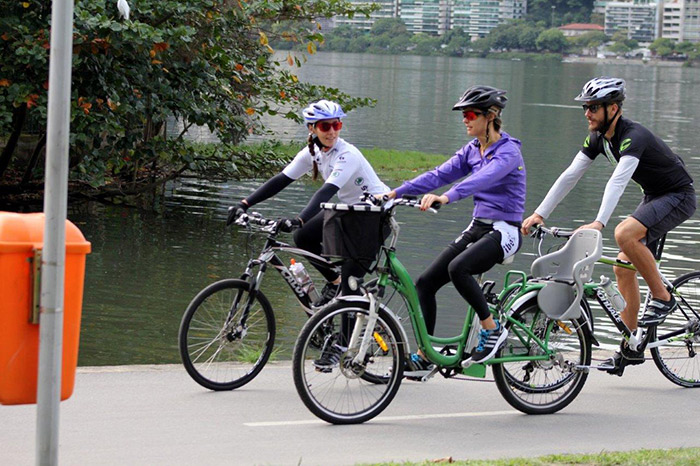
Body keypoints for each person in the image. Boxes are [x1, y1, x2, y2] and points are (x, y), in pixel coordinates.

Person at [521, 76, 696, 374]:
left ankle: (663, 298)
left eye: (593, 107)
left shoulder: (633, 136)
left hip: (678, 196)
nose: (587, 113)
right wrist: (540, 213)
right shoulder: (598, 138)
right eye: (585, 107)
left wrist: (599, 222)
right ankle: (631, 347)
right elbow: (569, 176)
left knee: (623, 233)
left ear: (612, 108)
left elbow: (618, 181)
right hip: (655, 195)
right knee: (621, 267)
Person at [383, 85, 527, 378]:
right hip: (478, 227)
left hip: (506, 231)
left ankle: (492, 329)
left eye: (471, 114)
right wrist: (393, 193)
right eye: (464, 115)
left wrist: (446, 197)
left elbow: (481, 180)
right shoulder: (472, 150)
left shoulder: (508, 152)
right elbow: (438, 174)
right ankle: (425, 355)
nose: (465, 119)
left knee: (458, 268)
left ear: (491, 116)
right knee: (425, 282)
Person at [227, 99, 390, 307]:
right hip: (349, 209)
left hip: (375, 215)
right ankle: (334, 281)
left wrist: (299, 219)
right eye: (325, 126)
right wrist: (244, 204)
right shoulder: (312, 152)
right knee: (303, 237)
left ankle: (345, 336)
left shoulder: (347, 155)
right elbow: (281, 180)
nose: (332, 132)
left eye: (336, 125)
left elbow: (326, 192)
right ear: (312, 128)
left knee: (351, 285)